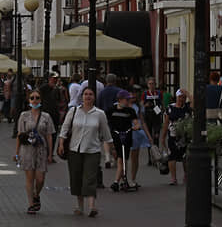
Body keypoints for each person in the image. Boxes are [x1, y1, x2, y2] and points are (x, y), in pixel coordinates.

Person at [58, 87, 115, 218]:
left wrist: (112, 149)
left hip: (93, 150)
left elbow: (106, 133)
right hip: (74, 150)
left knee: (90, 178)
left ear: (94, 97)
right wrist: (61, 143)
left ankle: (92, 206)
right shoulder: (73, 111)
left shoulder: (99, 114)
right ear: (81, 97)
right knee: (76, 177)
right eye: (85, 94)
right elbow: (65, 129)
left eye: (90, 94)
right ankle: (79, 206)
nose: (88, 96)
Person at [15, 89, 55, 214]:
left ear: (41, 100)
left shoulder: (46, 116)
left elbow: (49, 135)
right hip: (27, 149)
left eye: (37, 98)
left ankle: (36, 194)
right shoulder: (24, 116)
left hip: (41, 150)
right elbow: (20, 134)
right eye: (32, 98)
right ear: (29, 100)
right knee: (29, 178)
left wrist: (50, 153)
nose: (35, 100)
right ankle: (31, 203)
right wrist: (16, 152)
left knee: (40, 179)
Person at [106, 90, 138, 191]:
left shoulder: (130, 111)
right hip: (115, 137)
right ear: (120, 100)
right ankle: (120, 181)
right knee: (120, 159)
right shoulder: (111, 110)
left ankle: (117, 182)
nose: (128, 101)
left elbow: (136, 122)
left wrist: (135, 126)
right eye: (126, 99)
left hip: (126, 137)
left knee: (122, 159)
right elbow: (105, 121)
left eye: (129, 99)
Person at [160, 88, 192, 186]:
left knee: (185, 157)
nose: (182, 99)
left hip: (184, 135)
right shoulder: (170, 107)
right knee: (172, 157)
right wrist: (163, 137)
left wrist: (187, 92)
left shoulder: (187, 107)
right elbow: (166, 123)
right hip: (173, 135)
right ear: (176, 97)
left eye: (183, 97)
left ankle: (186, 175)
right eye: (180, 97)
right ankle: (173, 178)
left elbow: (195, 103)